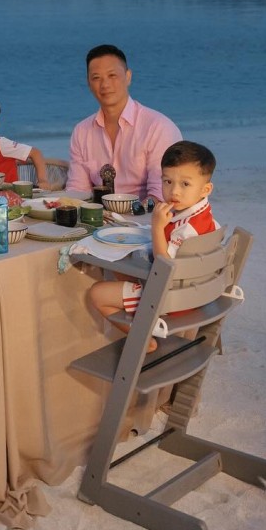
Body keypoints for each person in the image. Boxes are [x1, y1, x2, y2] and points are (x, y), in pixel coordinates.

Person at [88, 140, 220, 350]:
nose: (174, 191)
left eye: (185, 184)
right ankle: (138, 315)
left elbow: (164, 268)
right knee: (119, 266)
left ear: (206, 189)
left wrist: (157, 228)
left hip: (171, 300)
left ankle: (144, 341)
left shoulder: (187, 229)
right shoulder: (202, 214)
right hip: (193, 291)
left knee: (96, 293)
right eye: (167, 182)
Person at [66, 44, 181, 201]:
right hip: (101, 220)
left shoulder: (158, 127)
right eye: (96, 78)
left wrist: (128, 217)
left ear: (128, 77)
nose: (105, 85)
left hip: (148, 219)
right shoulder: (82, 131)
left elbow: (161, 194)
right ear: (88, 83)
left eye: (112, 75)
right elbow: (77, 190)